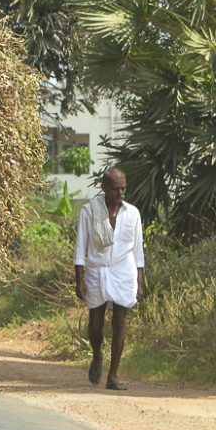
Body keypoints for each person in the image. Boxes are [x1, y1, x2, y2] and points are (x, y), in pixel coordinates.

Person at [75, 166, 146, 391]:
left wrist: (140, 280)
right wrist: (80, 279)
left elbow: (138, 251)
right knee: (95, 325)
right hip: (97, 270)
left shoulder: (132, 213)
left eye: (124, 189)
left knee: (120, 321)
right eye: (116, 189)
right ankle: (97, 355)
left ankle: (113, 375)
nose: (120, 194)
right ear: (104, 187)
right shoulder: (90, 211)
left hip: (123, 271)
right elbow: (80, 247)